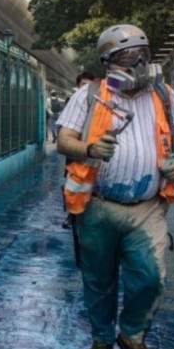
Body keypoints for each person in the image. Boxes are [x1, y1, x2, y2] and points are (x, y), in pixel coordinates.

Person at [57, 24, 174, 349]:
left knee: (150, 278)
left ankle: (131, 336)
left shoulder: (163, 94)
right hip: (98, 207)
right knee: (98, 280)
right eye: (126, 57)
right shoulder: (88, 96)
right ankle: (102, 340)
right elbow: (63, 140)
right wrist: (88, 148)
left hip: (147, 208)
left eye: (142, 55)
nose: (137, 64)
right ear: (107, 63)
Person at [61, 71, 98, 230]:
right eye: (83, 85)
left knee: (89, 184)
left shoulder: (100, 101)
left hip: (94, 152)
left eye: (89, 84)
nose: (86, 87)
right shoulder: (74, 101)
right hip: (75, 151)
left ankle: (84, 213)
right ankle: (71, 214)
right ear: (78, 86)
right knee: (73, 183)